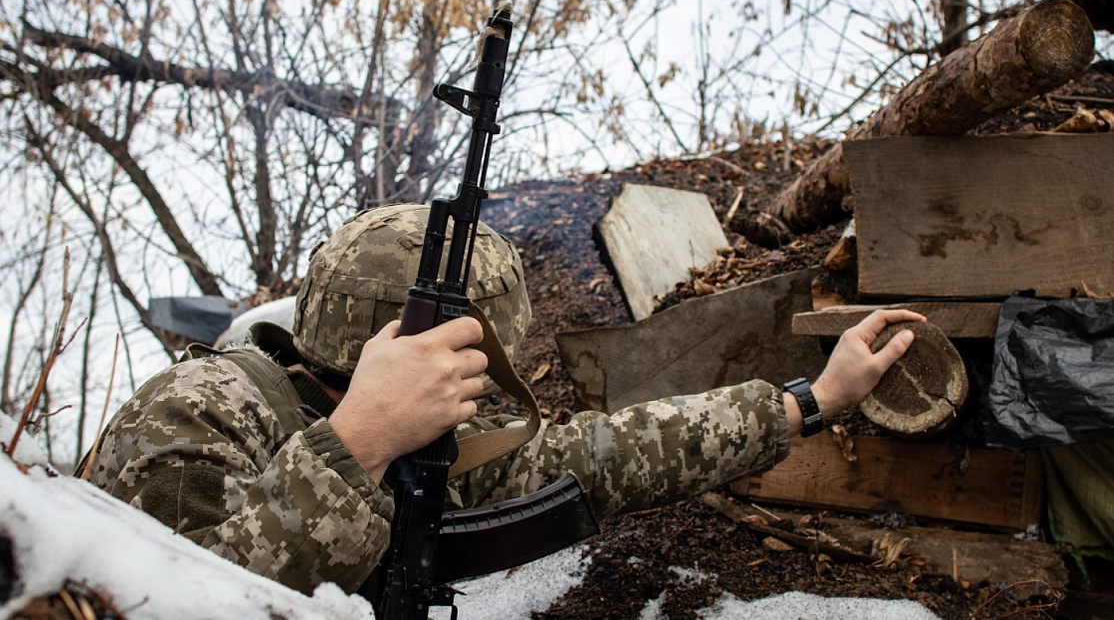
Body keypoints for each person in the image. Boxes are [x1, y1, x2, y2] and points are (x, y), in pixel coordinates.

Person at [86, 203, 925, 596]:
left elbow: (609, 454)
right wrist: (357, 444)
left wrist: (810, 400)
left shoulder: (428, 444)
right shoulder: (194, 411)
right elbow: (166, 606)